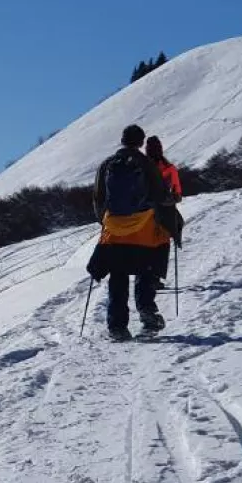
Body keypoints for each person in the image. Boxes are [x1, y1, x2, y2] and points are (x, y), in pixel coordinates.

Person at [86, 124, 172, 341]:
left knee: (118, 276)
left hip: (114, 232)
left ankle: (117, 327)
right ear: (141, 142)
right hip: (144, 230)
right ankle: (146, 311)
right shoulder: (146, 164)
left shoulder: (107, 165)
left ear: (122, 140)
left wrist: (106, 222)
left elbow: (98, 198)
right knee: (145, 271)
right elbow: (160, 195)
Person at [144, 135, 185, 289]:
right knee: (162, 244)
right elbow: (177, 193)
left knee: (147, 244)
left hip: (144, 212)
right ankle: (155, 277)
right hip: (165, 212)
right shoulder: (169, 168)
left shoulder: (140, 166)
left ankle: (146, 277)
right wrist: (172, 199)